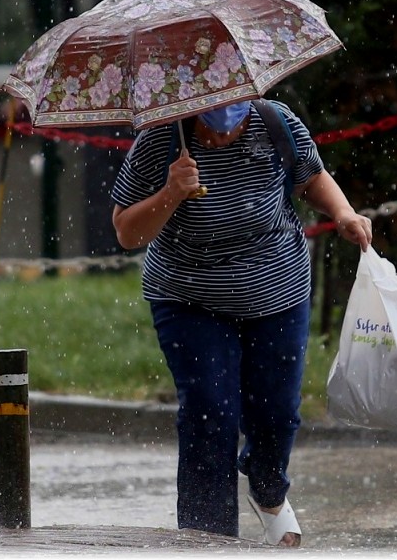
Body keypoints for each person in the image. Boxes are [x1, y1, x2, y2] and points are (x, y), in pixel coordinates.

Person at [110, 99, 371, 547]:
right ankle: (207, 539)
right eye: (214, 106)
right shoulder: (160, 139)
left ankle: (269, 489)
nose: (226, 117)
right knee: (210, 413)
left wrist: (343, 213)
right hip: (189, 298)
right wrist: (171, 191)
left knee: (278, 415)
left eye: (236, 105)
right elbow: (127, 232)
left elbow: (311, 178)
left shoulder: (275, 121)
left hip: (277, 291)